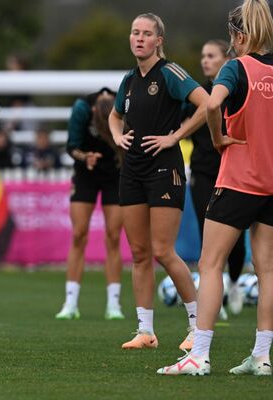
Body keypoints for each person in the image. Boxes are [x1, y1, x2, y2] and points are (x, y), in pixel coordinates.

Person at [158, 0, 273, 376]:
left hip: (238, 182)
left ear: (238, 36)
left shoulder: (236, 68)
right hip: (272, 185)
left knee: (210, 265)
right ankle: (262, 356)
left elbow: (211, 105)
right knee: (267, 271)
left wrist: (219, 137)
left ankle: (199, 355)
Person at [108, 13, 208, 351]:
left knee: (164, 251)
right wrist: (117, 136)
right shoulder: (128, 79)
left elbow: (207, 105)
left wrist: (175, 136)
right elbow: (114, 114)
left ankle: (198, 327)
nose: (139, 38)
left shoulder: (171, 73)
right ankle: (145, 332)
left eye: (146, 33)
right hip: (132, 171)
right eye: (135, 32)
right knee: (139, 253)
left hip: (165, 169)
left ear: (158, 40)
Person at [187, 39, 247, 317]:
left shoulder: (238, 90)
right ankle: (214, 295)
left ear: (226, 59)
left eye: (211, 55)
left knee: (235, 238)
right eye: (203, 55)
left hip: (235, 173)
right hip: (203, 172)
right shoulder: (196, 95)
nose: (205, 61)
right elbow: (181, 125)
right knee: (206, 233)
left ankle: (234, 283)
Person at [55, 88, 125, 321]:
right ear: (94, 111)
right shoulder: (81, 109)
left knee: (114, 237)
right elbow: (71, 147)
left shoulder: (124, 103)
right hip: (86, 174)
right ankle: (70, 303)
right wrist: (85, 157)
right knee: (78, 234)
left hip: (115, 175)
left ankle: (113, 304)